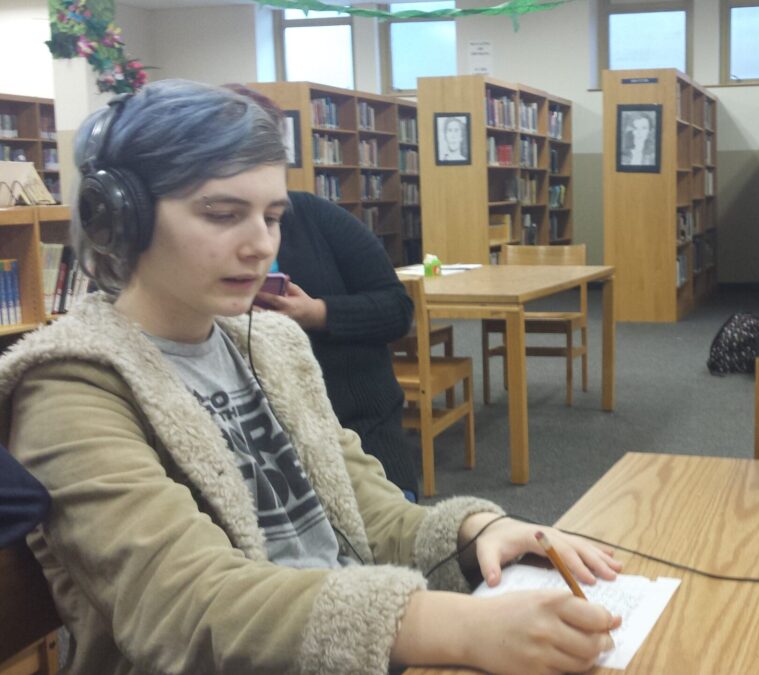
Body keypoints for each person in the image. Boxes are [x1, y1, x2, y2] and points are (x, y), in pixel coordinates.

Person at [0, 80, 621, 674]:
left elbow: (365, 516)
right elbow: (184, 608)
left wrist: (479, 529)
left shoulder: (271, 342)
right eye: (222, 214)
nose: (260, 245)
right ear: (118, 222)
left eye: (273, 217)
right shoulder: (69, 390)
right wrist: (459, 627)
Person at [225, 84, 423, 500]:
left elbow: (396, 308)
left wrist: (317, 313)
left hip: (358, 433)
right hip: (252, 462)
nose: (260, 243)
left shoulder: (316, 216)